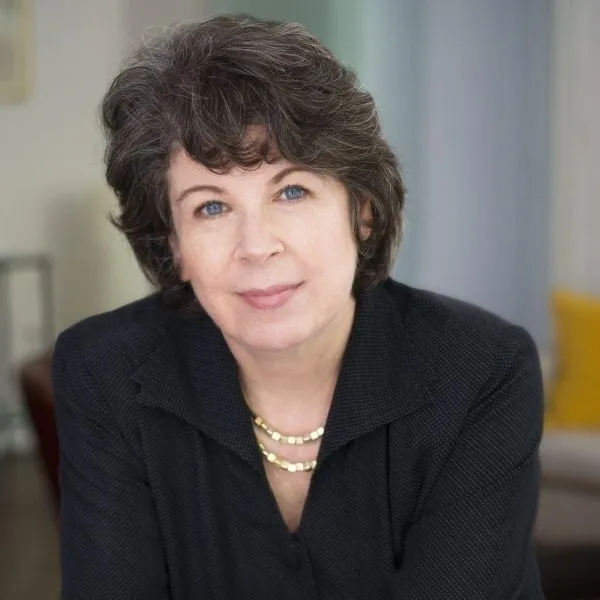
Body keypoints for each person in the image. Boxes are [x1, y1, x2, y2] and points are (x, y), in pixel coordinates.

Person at [52, 13, 545, 600]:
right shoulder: (105, 371)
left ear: (362, 210)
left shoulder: (481, 371)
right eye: (211, 207)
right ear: (174, 245)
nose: (257, 246)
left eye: (292, 191)